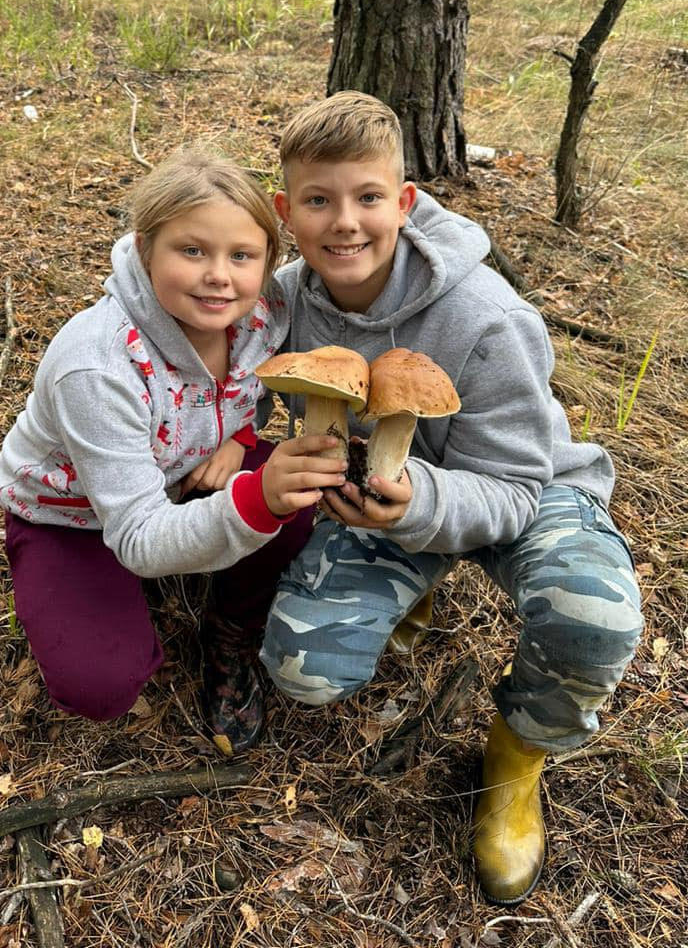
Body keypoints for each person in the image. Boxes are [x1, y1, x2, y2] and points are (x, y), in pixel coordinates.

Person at [258, 92, 643, 904]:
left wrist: (423, 504)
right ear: (287, 212)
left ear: (403, 202)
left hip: (526, 490)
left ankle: (518, 755)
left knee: (593, 618)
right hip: (379, 498)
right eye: (319, 202)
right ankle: (414, 594)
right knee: (303, 669)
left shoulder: (486, 315)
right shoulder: (283, 302)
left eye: (367, 198)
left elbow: (511, 488)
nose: (345, 223)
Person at [0, 148, 346, 753]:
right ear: (142, 250)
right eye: (192, 251)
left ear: (268, 263)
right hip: (75, 515)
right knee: (99, 685)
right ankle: (107, 598)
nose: (219, 275)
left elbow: (245, 392)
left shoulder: (265, 314)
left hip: (183, 478)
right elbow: (134, 536)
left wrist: (239, 439)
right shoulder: (98, 365)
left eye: (242, 255)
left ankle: (230, 628)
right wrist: (255, 499)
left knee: (300, 492)